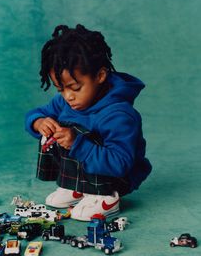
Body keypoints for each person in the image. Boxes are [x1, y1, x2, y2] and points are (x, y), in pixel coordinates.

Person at [25, 24, 152, 221]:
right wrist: (39, 122)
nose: (68, 96)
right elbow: (37, 113)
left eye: (75, 88)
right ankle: (75, 188)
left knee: (77, 134)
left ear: (100, 76)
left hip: (116, 176)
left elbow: (120, 163)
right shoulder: (66, 102)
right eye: (61, 89)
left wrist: (76, 142)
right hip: (84, 170)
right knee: (52, 132)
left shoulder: (119, 115)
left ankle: (106, 198)